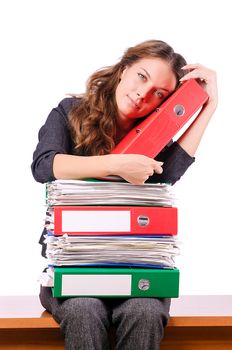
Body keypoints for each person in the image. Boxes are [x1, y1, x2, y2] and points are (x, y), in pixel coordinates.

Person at [31, 40, 218, 350]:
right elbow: (44, 165)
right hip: (74, 271)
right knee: (84, 309)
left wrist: (209, 106)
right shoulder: (69, 112)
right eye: (142, 76)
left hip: (138, 270)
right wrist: (119, 164)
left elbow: (168, 176)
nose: (144, 94)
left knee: (143, 311)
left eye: (160, 93)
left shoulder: (154, 135)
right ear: (124, 69)